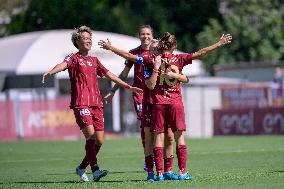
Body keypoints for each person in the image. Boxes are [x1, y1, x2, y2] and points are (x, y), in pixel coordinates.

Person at [99, 32, 232, 181]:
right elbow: (201, 53)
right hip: (175, 103)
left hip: (158, 103)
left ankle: (160, 173)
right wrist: (218, 44)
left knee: (158, 137)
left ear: (161, 46)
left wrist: (111, 48)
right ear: (174, 46)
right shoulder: (180, 58)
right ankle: (182, 172)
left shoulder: (152, 59)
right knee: (178, 137)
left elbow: (130, 57)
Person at [42, 26, 142, 182]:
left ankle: (81, 168)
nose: (89, 40)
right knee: (91, 136)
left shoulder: (95, 60)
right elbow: (62, 65)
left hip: (97, 104)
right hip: (81, 104)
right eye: (85, 38)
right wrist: (51, 72)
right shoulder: (73, 58)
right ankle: (95, 171)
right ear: (77, 41)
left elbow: (111, 75)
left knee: (99, 141)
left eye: (90, 38)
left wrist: (128, 87)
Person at [98, 37, 189, 181]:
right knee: (149, 138)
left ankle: (168, 171)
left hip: (163, 104)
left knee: (170, 137)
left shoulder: (165, 60)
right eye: (152, 49)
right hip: (149, 104)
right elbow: (130, 59)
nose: (153, 50)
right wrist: (112, 48)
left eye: (156, 48)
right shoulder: (147, 62)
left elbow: (182, 77)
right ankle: (151, 172)